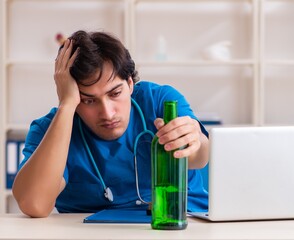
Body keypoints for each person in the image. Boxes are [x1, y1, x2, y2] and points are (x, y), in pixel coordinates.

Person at [12, 30, 209, 218]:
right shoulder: (50, 129)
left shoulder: (159, 100)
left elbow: (199, 158)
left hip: (180, 220)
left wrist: (194, 141)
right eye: (88, 100)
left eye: (115, 94)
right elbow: (35, 204)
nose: (107, 113)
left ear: (130, 84)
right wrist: (67, 105)